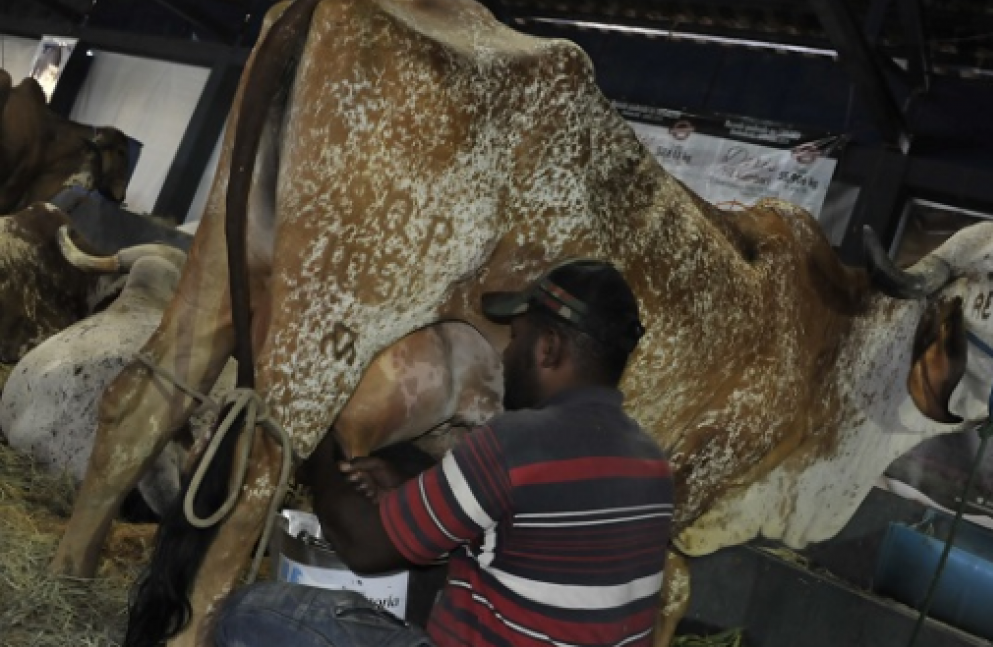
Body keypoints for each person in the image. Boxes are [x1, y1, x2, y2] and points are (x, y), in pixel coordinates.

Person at [215, 258, 674, 647]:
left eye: (516, 338)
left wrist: (318, 438)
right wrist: (413, 494)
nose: (506, 356)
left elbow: (364, 547)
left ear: (548, 348)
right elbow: (527, 544)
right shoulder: (652, 463)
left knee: (251, 612)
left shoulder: (518, 440)